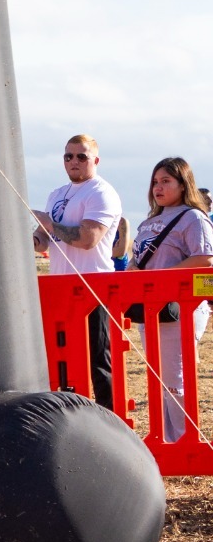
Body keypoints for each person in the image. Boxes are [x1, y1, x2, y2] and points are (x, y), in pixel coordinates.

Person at [33, 134, 123, 412]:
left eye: (81, 156)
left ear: (95, 160)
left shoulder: (101, 192)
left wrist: (49, 224)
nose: (73, 161)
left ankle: (110, 418)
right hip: (61, 288)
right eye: (68, 156)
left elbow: (88, 239)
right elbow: (42, 241)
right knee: (63, 361)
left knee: (99, 361)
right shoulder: (56, 194)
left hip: (93, 287)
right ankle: (69, 416)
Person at [129, 158, 213, 443]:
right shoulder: (149, 221)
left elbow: (204, 258)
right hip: (150, 308)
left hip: (178, 308)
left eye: (166, 181)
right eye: (155, 181)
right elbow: (137, 259)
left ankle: (183, 442)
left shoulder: (192, 217)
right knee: (158, 378)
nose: (158, 187)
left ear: (182, 183)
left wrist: (160, 278)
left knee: (175, 378)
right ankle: (164, 438)